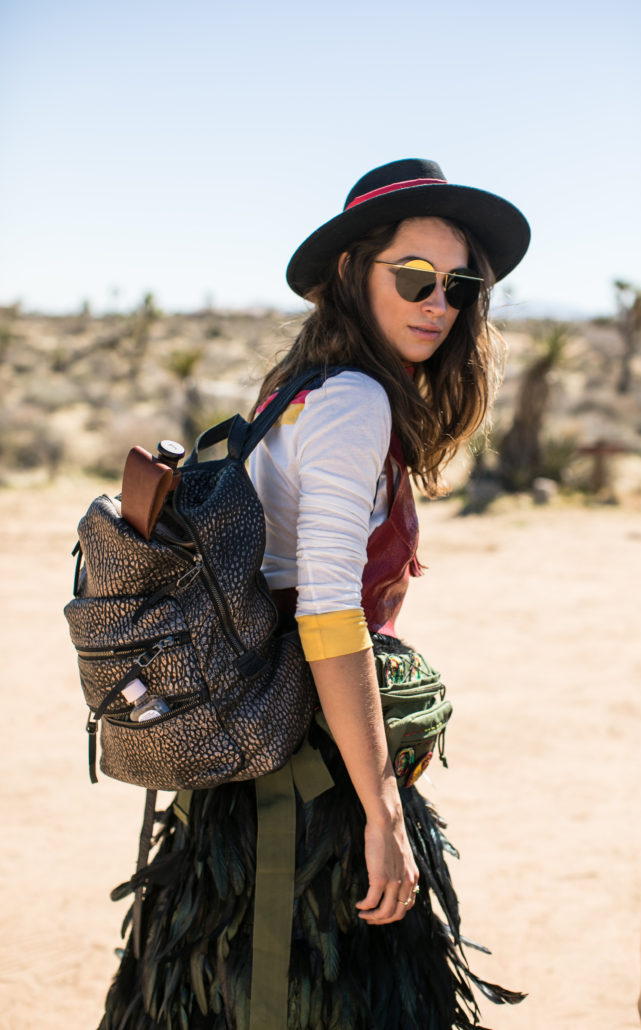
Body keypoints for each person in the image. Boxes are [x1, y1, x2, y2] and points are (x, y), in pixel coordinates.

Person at [99, 157, 530, 1029]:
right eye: (412, 277)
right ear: (348, 273)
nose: (437, 303)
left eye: (458, 285)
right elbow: (327, 611)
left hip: (253, 758)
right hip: (308, 784)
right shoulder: (353, 402)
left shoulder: (293, 393)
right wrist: (380, 812)